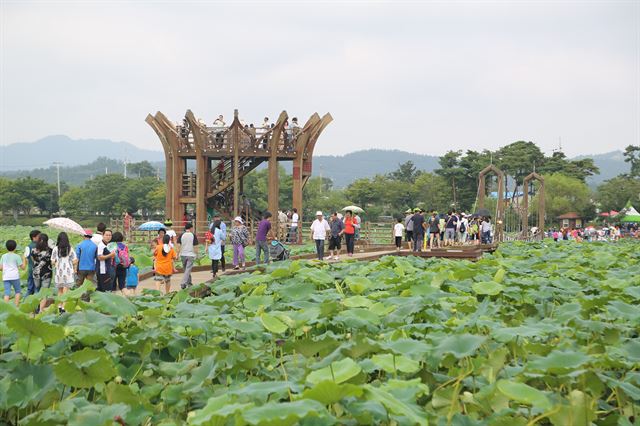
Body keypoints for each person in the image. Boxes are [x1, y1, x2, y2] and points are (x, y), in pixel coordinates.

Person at [51, 232, 77, 311]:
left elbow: (52, 261)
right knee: (66, 289)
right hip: (68, 271)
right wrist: (71, 265)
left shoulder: (55, 248)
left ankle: (59, 306)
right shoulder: (70, 248)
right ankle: (63, 307)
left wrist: (56, 263)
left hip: (59, 271)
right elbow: (75, 260)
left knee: (60, 290)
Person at [1, 240, 26, 306]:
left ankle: (6, 308)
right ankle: (16, 307)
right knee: (17, 291)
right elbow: (23, 267)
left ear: (6, 247)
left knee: (7, 293)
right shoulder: (17, 256)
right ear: (15, 248)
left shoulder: (3, 256)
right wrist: (24, 259)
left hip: (6, 276)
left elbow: (0, 268)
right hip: (15, 276)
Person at [178, 223, 198, 289]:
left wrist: (177, 254)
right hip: (191, 255)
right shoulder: (193, 235)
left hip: (183, 254)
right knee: (188, 270)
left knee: (186, 270)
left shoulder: (181, 235)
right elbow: (195, 246)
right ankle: (183, 283)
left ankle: (189, 283)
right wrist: (196, 254)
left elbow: (178, 245)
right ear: (191, 228)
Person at [24, 229, 41, 295]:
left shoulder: (28, 247)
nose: (40, 237)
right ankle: (37, 304)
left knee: (30, 289)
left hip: (31, 269)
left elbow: (26, 257)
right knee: (37, 289)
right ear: (34, 237)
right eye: (39, 236)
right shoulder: (41, 246)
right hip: (39, 271)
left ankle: (24, 303)